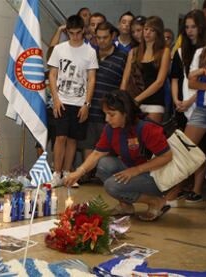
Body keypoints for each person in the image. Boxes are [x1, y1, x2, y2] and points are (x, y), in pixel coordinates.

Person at [64, 90, 173, 221]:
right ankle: (126, 205)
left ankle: (155, 201)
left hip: (155, 176)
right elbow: (97, 153)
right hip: (133, 171)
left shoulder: (147, 128)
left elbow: (167, 157)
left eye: (111, 115)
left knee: (112, 186)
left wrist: (136, 170)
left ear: (126, 113)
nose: (107, 119)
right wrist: (79, 172)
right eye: (105, 114)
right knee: (104, 164)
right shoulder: (110, 129)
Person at [47, 15, 98, 186]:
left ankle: (68, 173)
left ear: (83, 30)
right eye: (71, 33)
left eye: (78, 33)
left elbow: (91, 79)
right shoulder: (59, 49)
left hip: (79, 102)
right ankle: (56, 172)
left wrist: (87, 104)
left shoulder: (90, 51)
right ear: (67, 32)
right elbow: (52, 75)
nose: (75, 36)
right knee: (60, 137)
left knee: (72, 140)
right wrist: (55, 99)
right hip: (61, 100)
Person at [78, 21, 127, 186]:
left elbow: (124, 83)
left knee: (107, 145)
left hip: (110, 109)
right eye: (98, 38)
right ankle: (87, 174)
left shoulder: (122, 56)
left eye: (105, 38)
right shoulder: (90, 53)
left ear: (113, 36)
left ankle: (101, 175)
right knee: (88, 142)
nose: (102, 41)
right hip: (90, 106)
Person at [120, 16, 171, 123]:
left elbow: (159, 82)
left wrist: (137, 99)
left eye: (152, 30)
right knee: (132, 138)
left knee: (150, 137)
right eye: (146, 29)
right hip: (133, 101)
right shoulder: (133, 51)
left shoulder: (164, 51)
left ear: (158, 33)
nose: (147, 33)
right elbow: (125, 79)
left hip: (154, 102)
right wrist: (121, 100)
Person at [171, 10, 206, 130]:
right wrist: (176, 100)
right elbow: (175, 79)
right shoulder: (180, 51)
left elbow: (203, 83)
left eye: (193, 27)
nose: (189, 31)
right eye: (187, 27)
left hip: (201, 102)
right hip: (181, 103)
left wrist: (190, 102)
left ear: (201, 27)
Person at [183, 39, 206, 202]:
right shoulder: (201, 52)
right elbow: (192, 83)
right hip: (202, 109)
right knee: (184, 150)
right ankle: (167, 196)